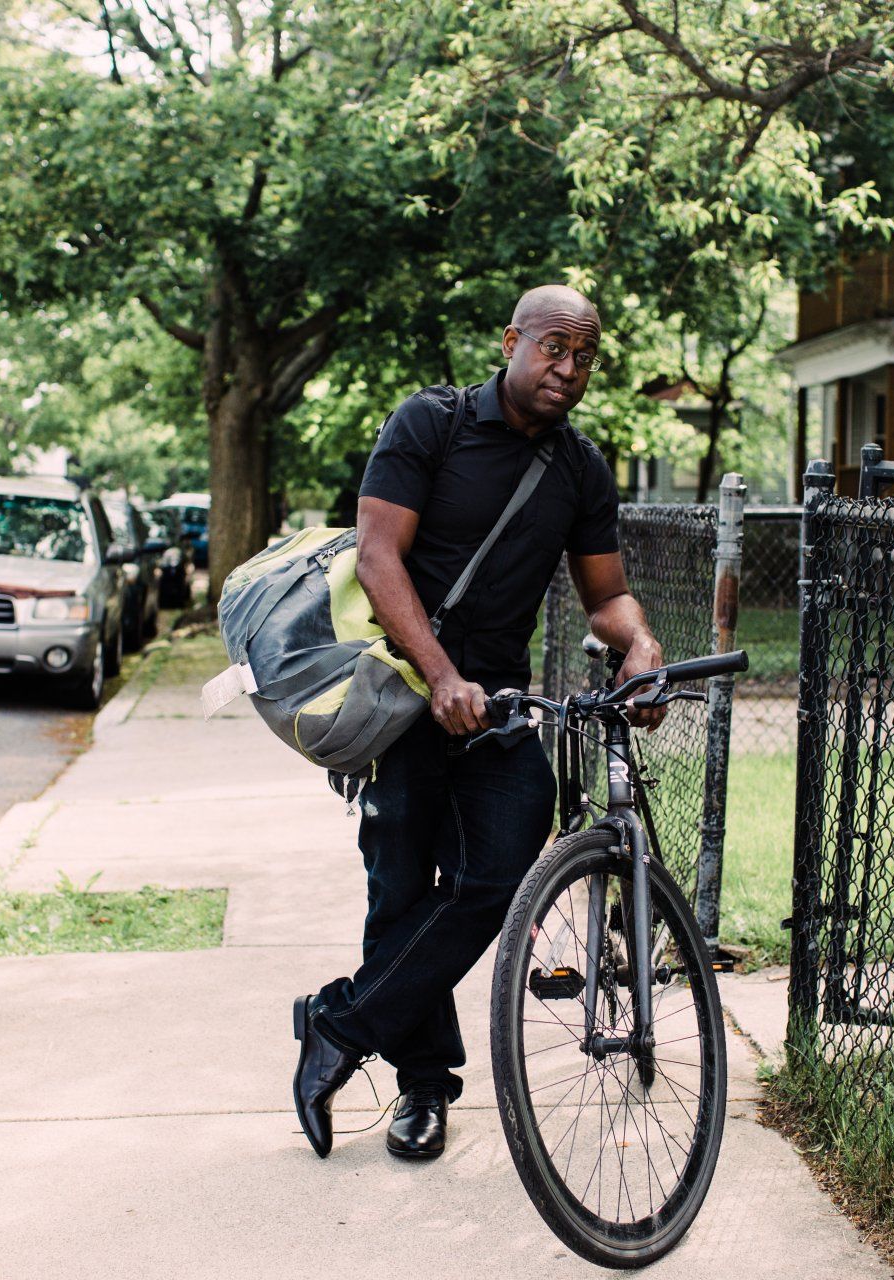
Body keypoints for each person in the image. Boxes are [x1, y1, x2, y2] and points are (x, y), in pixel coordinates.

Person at [292, 284, 666, 1161]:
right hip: (397, 689)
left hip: (495, 703)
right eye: (554, 349)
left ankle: (337, 1025)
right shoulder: (430, 425)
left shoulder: (579, 467)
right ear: (513, 342)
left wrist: (640, 645)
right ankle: (425, 1089)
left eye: (585, 358)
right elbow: (377, 555)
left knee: (498, 875)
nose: (568, 370)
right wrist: (439, 674)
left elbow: (605, 594)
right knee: (400, 892)